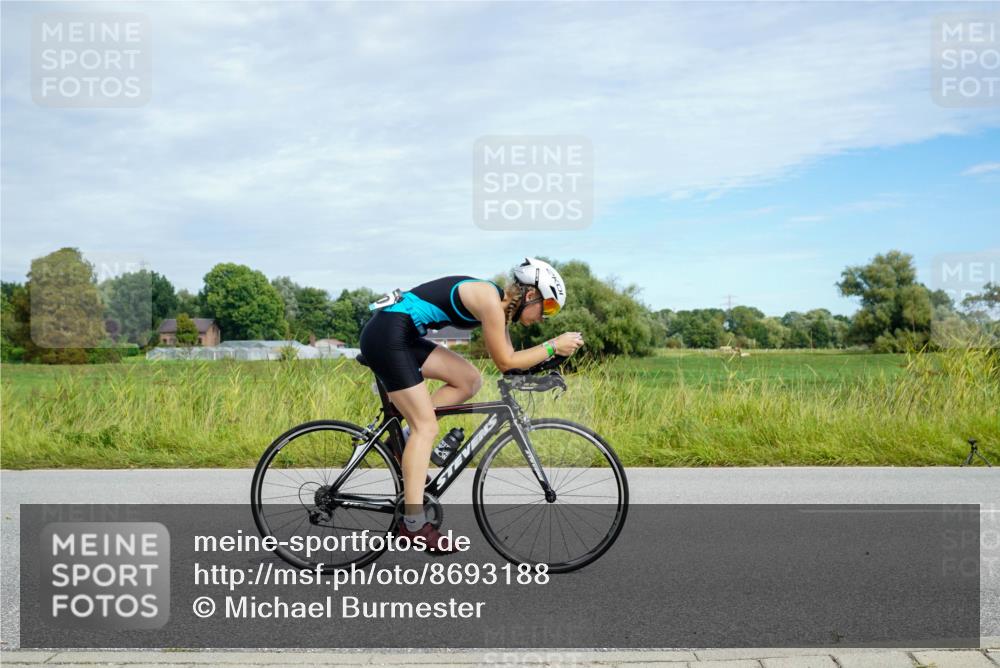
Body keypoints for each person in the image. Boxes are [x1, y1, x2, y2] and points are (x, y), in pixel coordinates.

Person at [358, 258, 585, 553]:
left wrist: (545, 372)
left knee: (469, 380)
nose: (546, 317)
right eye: (549, 307)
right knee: (426, 426)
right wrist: (553, 344)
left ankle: (400, 442)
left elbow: (510, 366)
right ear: (531, 295)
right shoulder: (489, 301)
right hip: (388, 335)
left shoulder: (498, 311)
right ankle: (412, 524)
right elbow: (506, 361)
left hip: (402, 334)